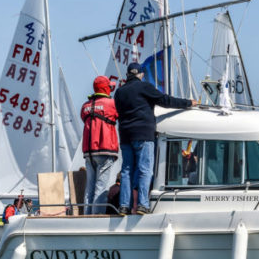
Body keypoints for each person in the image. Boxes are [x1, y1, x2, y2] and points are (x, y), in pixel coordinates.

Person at [114, 62, 197, 215]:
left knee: (126, 170)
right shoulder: (145, 87)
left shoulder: (119, 92)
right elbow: (166, 101)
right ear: (141, 75)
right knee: (145, 170)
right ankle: (142, 205)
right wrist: (188, 103)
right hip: (144, 134)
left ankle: (124, 206)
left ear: (127, 75)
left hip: (125, 135)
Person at [81, 75, 119, 215]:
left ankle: (87, 216)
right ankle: (96, 219)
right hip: (105, 149)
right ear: (105, 88)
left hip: (89, 152)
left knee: (89, 187)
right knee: (101, 187)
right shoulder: (111, 104)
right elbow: (119, 113)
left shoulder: (85, 106)